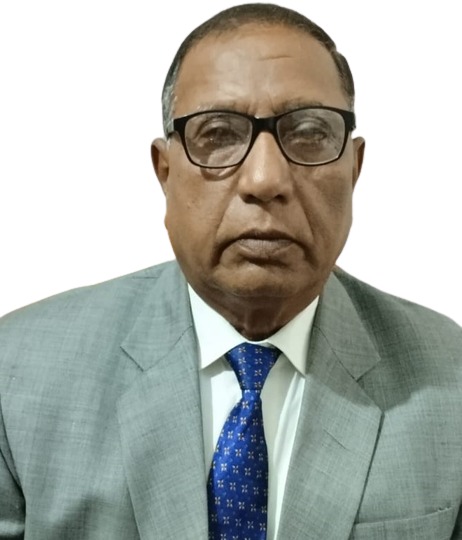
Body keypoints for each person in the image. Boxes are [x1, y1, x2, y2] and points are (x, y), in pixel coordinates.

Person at [0, 3, 461, 539]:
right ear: (165, 172)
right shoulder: (17, 374)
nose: (265, 179)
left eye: (309, 133)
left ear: (353, 169)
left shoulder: (449, 383)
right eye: (219, 134)